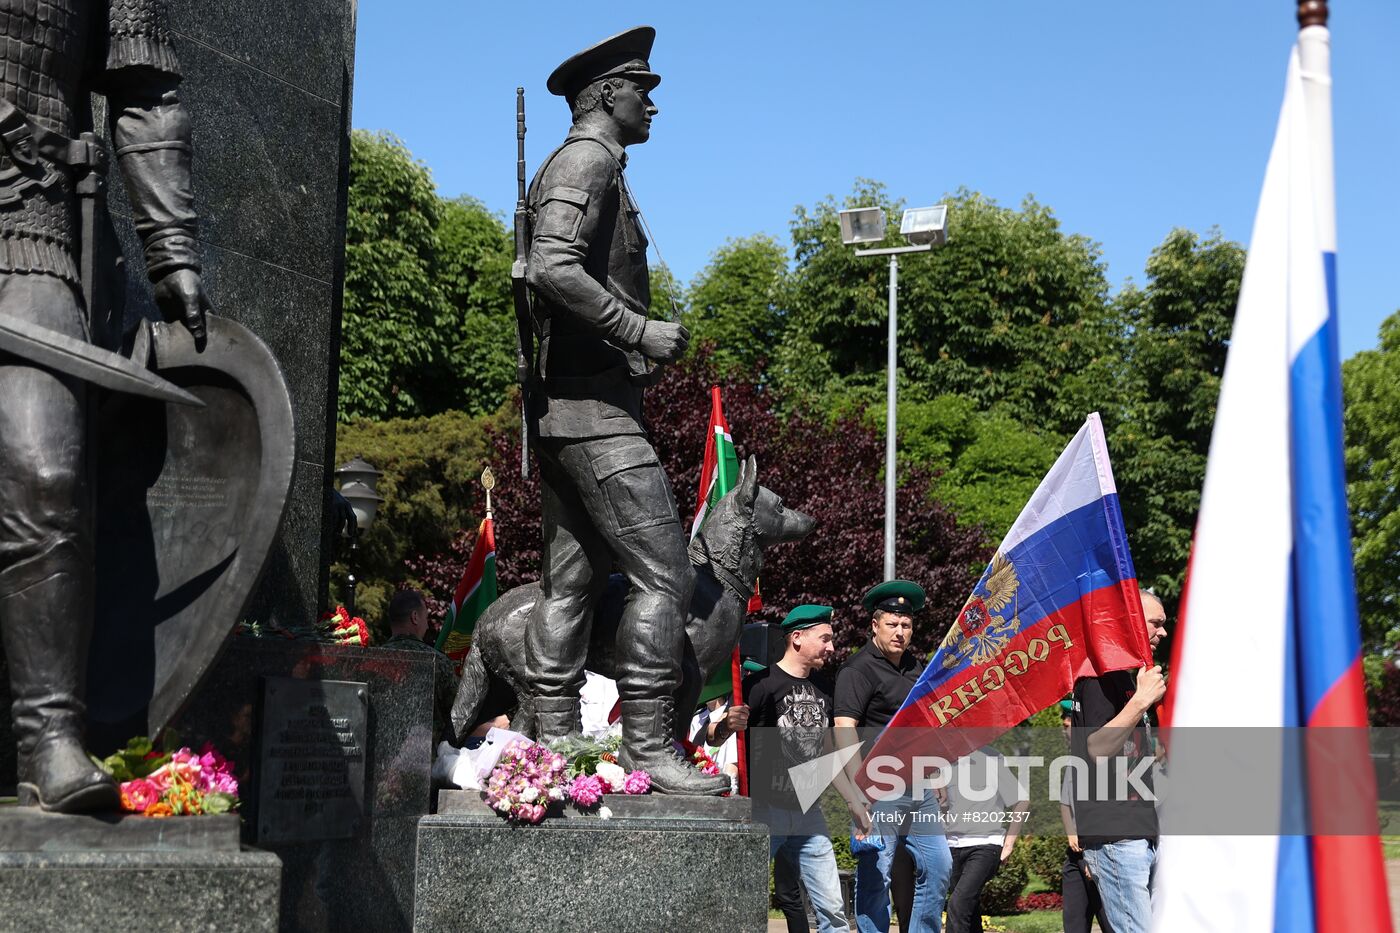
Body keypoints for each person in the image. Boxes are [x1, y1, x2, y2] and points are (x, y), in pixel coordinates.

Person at [1, 0, 213, 813]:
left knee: (48, 474)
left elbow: (146, 93)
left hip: (27, 226)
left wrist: (172, 249)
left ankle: (49, 736)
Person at [520, 26, 721, 795]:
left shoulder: (594, 165)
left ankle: (556, 743)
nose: (653, 105)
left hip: (573, 412)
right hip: (597, 415)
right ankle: (647, 748)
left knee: (569, 584)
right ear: (608, 94)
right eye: (644, 89)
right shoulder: (587, 160)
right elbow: (551, 266)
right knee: (666, 576)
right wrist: (638, 329)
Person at [834, 580, 953, 933]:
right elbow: (844, 728)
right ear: (875, 625)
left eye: (906, 625)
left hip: (919, 786)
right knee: (876, 873)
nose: (900, 632)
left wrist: (937, 773)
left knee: (940, 866)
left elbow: (925, 724)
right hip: (878, 787)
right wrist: (860, 790)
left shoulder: (917, 667)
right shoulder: (858, 669)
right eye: (892, 624)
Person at [746, 605, 871, 933]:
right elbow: (728, 739)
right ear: (797, 638)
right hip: (764, 811)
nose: (832, 647)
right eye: (826, 639)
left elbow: (826, 751)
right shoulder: (760, 685)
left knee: (833, 910)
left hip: (808, 812)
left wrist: (852, 800)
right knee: (742, 898)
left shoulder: (824, 688)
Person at [1070, 590, 1168, 933]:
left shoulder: (1127, 677)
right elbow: (1096, 747)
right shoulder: (1100, 674)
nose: (1163, 633)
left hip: (1140, 831)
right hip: (1116, 834)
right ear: (1133, 623)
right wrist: (1141, 701)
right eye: (1155, 623)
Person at [942, 747, 1030, 933]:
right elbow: (944, 806)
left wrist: (1009, 843)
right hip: (952, 847)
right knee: (969, 909)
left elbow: (1021, 800)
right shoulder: (946, 762)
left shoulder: (991, 758)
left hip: (984, 846)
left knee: (958, 904)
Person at [1060, 700, 1116, 933]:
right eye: (1064, 723)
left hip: (1102, 854)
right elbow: (1065, 803)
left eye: (1070, 723)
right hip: (1076, 855)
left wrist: (1094, 857)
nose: (1065, 727)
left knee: (1113, 924)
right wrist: (1071, 832)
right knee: (1073, 924)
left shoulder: (1105, 760)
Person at [383, 589, 460, 750]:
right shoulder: (438, 662)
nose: (427, 624)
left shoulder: (372, 660)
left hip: (379, 761)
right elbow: (458, 713)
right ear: (415, 617)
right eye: (426, 617)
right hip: (428, 763)